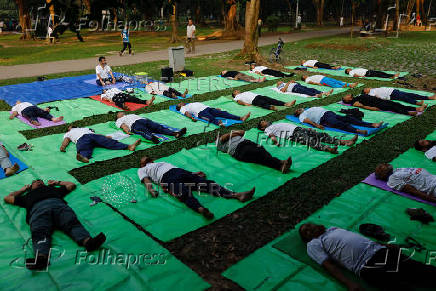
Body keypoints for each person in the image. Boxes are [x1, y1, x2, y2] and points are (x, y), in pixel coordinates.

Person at [4, 179, 106, 270]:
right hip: (38, 210)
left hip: (58, 206)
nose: (39, 182)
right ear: (31, 187)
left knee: (71, 223)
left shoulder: (53, 189)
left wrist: (57, 183)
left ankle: (88, 242)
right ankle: (41, 258)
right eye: (35, 182)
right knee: (39, 232)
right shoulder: (27, 196)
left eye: (40, 181)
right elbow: (7, 198)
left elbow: (71, 185)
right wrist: (22, 190)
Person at [299, 223, 436, 291]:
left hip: (379, 250)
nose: (309, 229)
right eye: (306, 232)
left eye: (309, 225)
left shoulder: (333, 229)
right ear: (307, 239)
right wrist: (349, 283)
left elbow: (359, 239)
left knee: (416, 268)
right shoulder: (313, 244)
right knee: (400, 284)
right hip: (365, 265)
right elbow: (329, 266)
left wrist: (385, 245)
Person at [138, 156, 256, 219]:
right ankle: (201, 209)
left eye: (147, 158)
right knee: (184, 193)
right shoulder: (141, 169)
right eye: (143, 160)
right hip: (166, 179)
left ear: (152, 160)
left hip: (179, 172)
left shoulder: (161, 162)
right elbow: (146, 180)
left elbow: (177, 169)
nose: (145, 158)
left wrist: (194, 173)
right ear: (142, 164)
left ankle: (236, 195)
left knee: (206, 184)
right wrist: (151, 189)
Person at [258, 120, 357, 154]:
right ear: (263, 127)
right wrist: (276, 142)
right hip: (293, 134)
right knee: (311, 141)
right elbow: (271, 136)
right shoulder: (267, 129)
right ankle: (329, 149)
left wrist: (307, 129)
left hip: (299, 129)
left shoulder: (274, 124)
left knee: (321, 135)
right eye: (263, 122)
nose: (265, 121)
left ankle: (345, 142)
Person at [216, 130, 292, 173]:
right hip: (239, 149)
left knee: (261, 151)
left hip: (246, 143)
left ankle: (281, 164)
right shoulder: (219, 142)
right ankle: (280, 165)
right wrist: (233, 133)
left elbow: (242, 132)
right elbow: (225, 137)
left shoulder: (231, 135)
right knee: (258, 153)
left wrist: (234, 133)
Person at [60, 126, 141, 163]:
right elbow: (66, 140)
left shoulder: (84, 128)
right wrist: (63, 146)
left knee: (107, 141)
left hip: (92, 136)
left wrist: (104, 137)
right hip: (81, 139)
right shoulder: (68, 133)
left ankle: (129, 147)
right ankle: (84, 157)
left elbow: (94, 133)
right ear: (68, 129)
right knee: (84, 147)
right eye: (69, 127)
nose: (70, 127)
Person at [294, 107, 383, 135]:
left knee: (348, 118)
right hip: (323, 118)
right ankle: (357, 130)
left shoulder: (307, 109)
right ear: (298, 113)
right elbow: (306, 120)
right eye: (298, 110)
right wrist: (316, 125)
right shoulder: (301, 116)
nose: (299, 109)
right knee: (338, 123)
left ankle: (372, 124)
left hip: (329, 113)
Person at [116, 112, 186, 144]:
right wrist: (127, 131)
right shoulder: (119, 120)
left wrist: (150, 121)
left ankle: (175, 134)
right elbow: (123, 126)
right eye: (119, 113)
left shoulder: (130, 114)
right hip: (134, 125)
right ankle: (152, 138)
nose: (121, 113)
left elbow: (141, 118)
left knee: (158, 127)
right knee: (143, 131)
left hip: (143, 120)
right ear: (118, 116)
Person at [342, 94, 427, 116]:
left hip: (379, 100)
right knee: (393, 107)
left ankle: (417, 108)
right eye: (346, 96)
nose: (348, 95)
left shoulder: (357, 96)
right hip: (377, 104)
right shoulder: (354, 102)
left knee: (396, 104)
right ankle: (408, 113)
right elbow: (364, 106)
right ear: (347, 100)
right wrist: (374, 109)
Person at [176, 102, 251, 127]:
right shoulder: (183, 108)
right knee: (210, 117)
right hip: (200, 113)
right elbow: (186, 113)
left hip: (208, 108)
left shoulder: (190, 104)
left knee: (223, 113)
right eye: (179, 103)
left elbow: (202, 105)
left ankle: (240, 118)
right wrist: (192, 118)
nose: (181, 102)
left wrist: (214, 108)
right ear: (180, 106)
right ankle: (218, 123)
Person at [363, 87, 436, 105]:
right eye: (365, 89)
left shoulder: (373, 89)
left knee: (410, 94)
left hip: (393, 91)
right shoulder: (370, 93)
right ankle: (416, 103)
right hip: (391, 93)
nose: (367, 88)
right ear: (365, 92)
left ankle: (429, 97)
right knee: (405, 97)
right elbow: (375, 97)